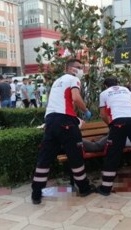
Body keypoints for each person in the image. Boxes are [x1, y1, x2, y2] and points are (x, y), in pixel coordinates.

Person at [31, 59, 94, 205]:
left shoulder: (57, 81)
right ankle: (84, 188)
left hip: (50, 121)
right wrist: (86, 111)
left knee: (45, 158)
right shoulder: (72, 79)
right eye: (79, 67)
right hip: (65, 122)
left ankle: (36, 193)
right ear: (70, 68)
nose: (81, 70)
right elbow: (76, 98)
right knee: (75, 156)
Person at [96, 77, 131, 196]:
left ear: (105, 85)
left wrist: (110, 125)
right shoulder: (126, 90)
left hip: (118, 123)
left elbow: (103, 114)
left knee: (113, 153)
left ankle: (106, 188)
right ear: (117, 83)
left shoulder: (104, 93)